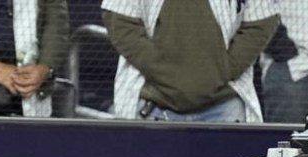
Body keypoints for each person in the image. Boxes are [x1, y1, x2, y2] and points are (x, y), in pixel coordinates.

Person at [101, 0, 278, 122]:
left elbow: (261, 21)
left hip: (225, 104)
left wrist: (224, 70)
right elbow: (120, 18)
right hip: (152, 105)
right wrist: (162, 70)